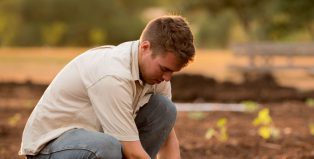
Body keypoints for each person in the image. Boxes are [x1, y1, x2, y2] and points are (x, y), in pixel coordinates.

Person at [19, 15, 195, 159]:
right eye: (164, 69)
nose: (167, 78)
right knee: (107, 146)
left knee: (164, 109)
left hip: (94, 141)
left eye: (172, 72)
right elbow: (133, 154)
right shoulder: (113, 76)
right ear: (145, 47)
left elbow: (167, 138)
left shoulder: (158, 77)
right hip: (51, 148)